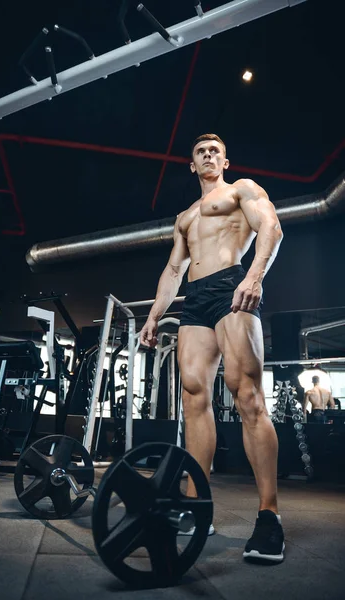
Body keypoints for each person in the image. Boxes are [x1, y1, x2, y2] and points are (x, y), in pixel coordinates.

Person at [140, 133, 285, 562]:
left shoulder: (241, 189)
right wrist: (153, 315)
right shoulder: (184, 217)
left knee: (247, 394)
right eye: (200, 152)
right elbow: (172, 269)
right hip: (195, 299)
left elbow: (271, 227)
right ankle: (195, 503)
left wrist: (254, 276)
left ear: (224, 160)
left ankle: (269, 517)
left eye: (214, 151)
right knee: (193, 395)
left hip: (231, 284)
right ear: (191, 165)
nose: (207, 155)